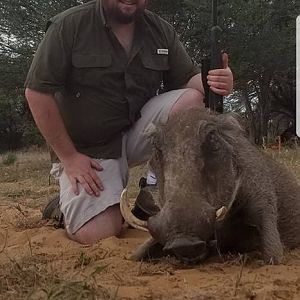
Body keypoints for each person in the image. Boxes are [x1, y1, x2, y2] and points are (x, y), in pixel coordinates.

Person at [24, 0, 233, 245]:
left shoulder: (161, 30)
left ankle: (152, 190)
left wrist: (217, 81)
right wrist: (69, 158)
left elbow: (188, 81)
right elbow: (37, 93)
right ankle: (61, 206)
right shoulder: (68, 25)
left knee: (192, 101)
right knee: (99, 234)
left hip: (136, 132)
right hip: (89, 150)